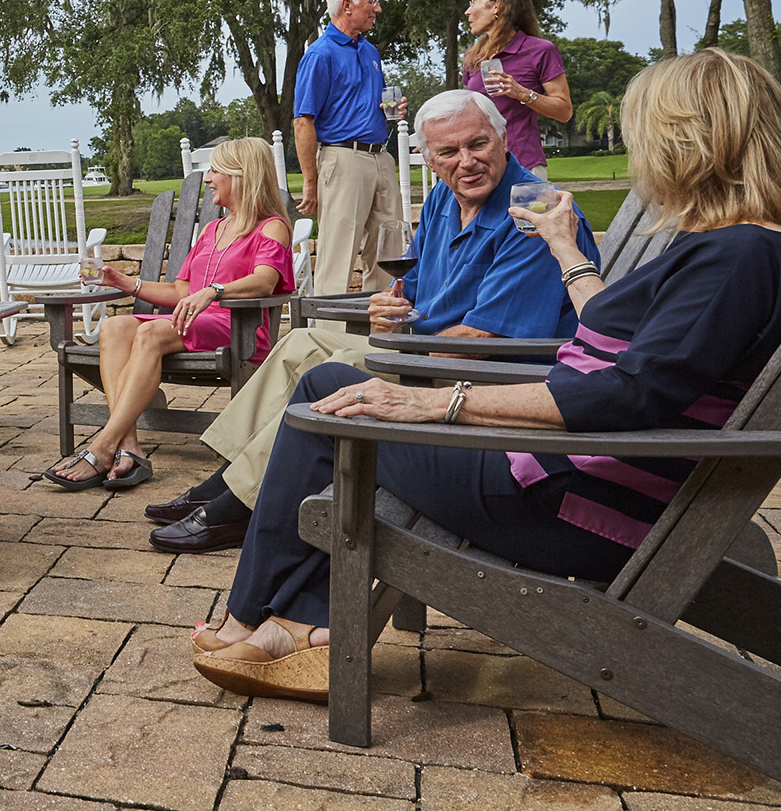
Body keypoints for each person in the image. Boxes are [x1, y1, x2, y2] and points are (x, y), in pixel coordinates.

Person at [192, 48, 781, 703]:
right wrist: (568, 253)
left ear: (688, 141)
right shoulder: (734, 247)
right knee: (335, 395)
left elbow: (631, 391)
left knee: (327, 396)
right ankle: (301, 623)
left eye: (644, 133)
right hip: (573, 476)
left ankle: (249, 615)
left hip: (566, 501)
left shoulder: (739, 256)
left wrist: (436, 407)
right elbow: (630, 354)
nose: (639, 152)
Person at [148, 90, 599, 553]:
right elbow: (416, 288)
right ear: (427, 158)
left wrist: (402, 341)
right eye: (448, 152)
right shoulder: (446, 200)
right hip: (433, 351)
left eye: (478, 144)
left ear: (503, 139)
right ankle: (229, 477)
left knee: (334, 369)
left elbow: (484, 339)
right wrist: (388, 303)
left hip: (489, 376)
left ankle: (240, 506)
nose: (466, 162)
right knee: (299, 344)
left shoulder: (533, 213)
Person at [42, 139, 294, 492]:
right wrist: (124, 282)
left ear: (241, 176)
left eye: (216, 171)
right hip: (190, 320)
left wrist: (214, 291)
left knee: (150, 333)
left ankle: (102, 446)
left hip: (238, 327)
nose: (208, 179)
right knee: (114, 327)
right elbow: (179, 292)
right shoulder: (211, 230)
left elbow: (265, 282)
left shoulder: (271, 227)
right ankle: (129, 448)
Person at [294, 0, 403, 309]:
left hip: (381, 158)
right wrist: (311, 182)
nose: (378, 8)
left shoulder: (370, 51)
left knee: (391, 251)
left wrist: (391, 110)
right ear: (347, 5)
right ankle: (327, 338)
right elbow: (303, 122)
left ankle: (386, 335)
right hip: (343, 159)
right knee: (338, 255)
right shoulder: (320, 55)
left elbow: (364, 105)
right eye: (372, 1)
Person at [460, 0, 572, 178]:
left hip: (522, 165)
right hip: (478, 167)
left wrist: (522, 93)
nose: (468, 11)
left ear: (497, 6)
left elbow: (564, 111)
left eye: (473, 2)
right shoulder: (473, 56)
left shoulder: (540, 50)